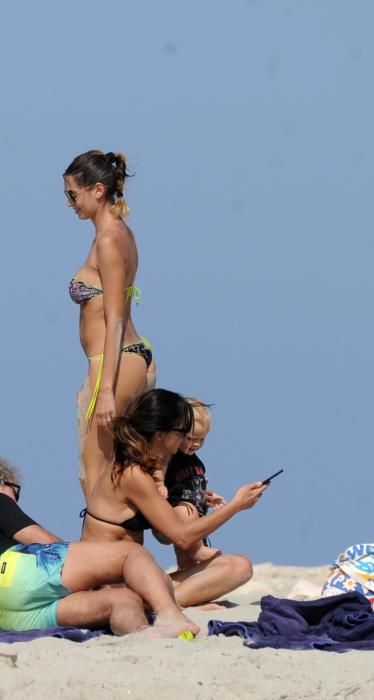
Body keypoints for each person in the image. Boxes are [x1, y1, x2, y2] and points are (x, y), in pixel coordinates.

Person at [0, 456, 200, 638]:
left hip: (6, 614)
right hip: (14, 575)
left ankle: (143, 637)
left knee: (121, 599)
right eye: (14, 491)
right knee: (129, 554)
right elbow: (42, 540)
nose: (16, 499)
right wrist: (92, 572)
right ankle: (170, 613)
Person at [80, 388, 266, 608]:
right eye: (181, 433)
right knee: (233, 566)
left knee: (239, 566)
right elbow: (183, 537)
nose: (185, 441)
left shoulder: (144, 467)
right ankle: (170, 603)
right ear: (160, 434)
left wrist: (198, 497)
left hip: (131, 580)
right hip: (110, 588)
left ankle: (173, 600)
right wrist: (235, 505)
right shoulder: (133, 474)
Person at [64, 150, 154, 499]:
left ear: (97, 190)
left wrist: (103, 390)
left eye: (73, 194)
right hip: (119, 361)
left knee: (95, 479)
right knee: (115, 476)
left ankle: (107, 553)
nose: (70, 203)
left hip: (113, 363)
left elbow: (115, 318)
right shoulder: (120, 234)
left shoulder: (109, 240)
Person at [156, 398, 227, 570]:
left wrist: (207, 497)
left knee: (187, 559)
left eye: (201, 439)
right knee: (186, 513)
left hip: (194, 518)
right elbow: (160, 465)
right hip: (175, 514)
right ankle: (197, 550)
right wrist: (159, 483)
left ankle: (188, 575)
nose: (195, 443)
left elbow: (192, 486)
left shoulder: (196, 463)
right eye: (190, 438)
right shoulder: (172, 454)